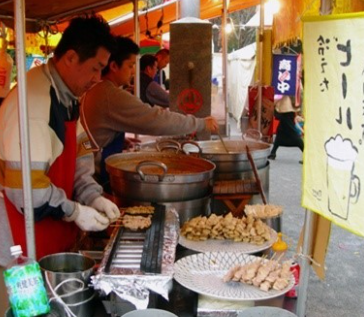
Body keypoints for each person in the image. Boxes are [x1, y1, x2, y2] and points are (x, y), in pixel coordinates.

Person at [0, 15, 120, 266]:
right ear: (71, 58)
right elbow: (26, 190)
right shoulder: (34, 103)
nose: (98, 78)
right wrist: (75, 211)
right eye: (95, 68)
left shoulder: (66, 96)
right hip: (20, 235)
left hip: (53, 232)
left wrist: (92, 195)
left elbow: (81, 149)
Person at [80, 36, 219, 189]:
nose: (134, 71)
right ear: (113, 66)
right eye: (130, 65)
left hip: (91, 169)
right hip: (95, 178)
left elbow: (95, 131)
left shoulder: (98, 90)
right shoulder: (110, 94)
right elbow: (156, 120)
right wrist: (199, 123)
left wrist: (115, 138)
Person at [268, 95, 304, 162]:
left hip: (287, 108)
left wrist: (274, 102)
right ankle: (273, 153)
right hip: (287, 108)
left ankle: (307, 155)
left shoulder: (292, 85)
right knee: (280, 131)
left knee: (292, 133)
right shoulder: (293, 85)